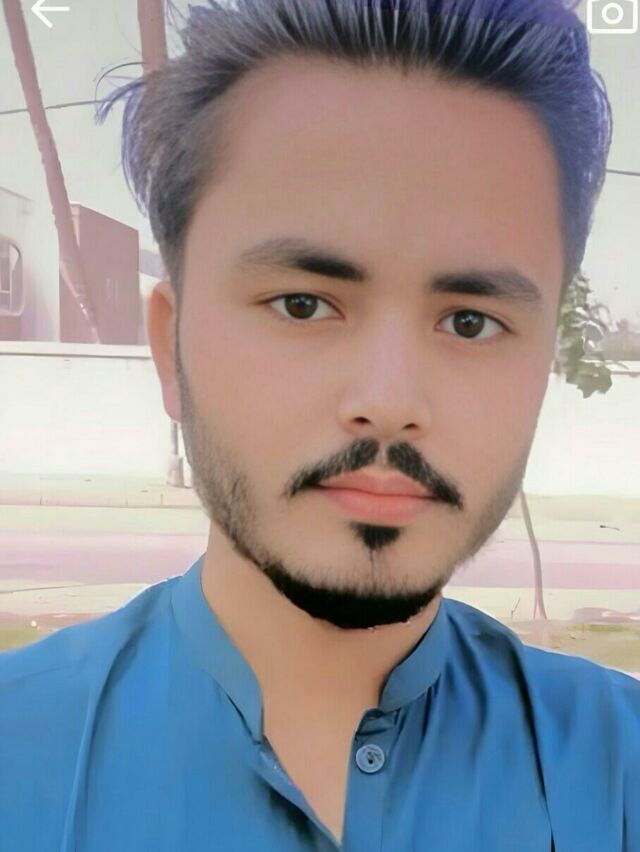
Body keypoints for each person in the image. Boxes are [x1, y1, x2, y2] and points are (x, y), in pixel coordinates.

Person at [1, 1, 638, 849]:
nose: (390, 398)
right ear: (170, 346)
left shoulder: (620, 770)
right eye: (303, 304)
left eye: (470, 321)